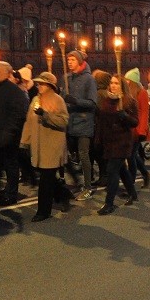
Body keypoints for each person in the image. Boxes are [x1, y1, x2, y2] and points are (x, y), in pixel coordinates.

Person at [20, 72, 68, 222]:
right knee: (47, 177)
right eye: (38, 83)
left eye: (42, 84)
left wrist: (46, 115)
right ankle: (63, 193)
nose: (38, 86)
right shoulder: (35, 100)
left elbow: (63, 121)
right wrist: (24, 141)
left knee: (45, 181)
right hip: (38, 146)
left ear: (50, 86)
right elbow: (29, 122)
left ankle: (43, 211)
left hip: (52, 146)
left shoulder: (58, 100)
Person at [0, 61, 28, 206]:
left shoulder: (15, 92)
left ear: (8, 74)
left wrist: (9, 132)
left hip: (9, 137)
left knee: (10, 166)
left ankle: (11, 194)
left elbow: (19, 114)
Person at [94, 74, 139, 215]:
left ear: (122, 86)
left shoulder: (128, 101)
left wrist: (124, 116)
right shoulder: (107, 100)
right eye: (112, 83)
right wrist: (98, 139)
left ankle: (109, 203)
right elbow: (101, 121)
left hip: (122, 141)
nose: (113, 85)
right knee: (121, 170)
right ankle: (132, 193)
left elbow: (135, 122)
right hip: (109, 141)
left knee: (112, 171)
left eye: (116, 83)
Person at [63, 50, 98, 201]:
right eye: (68, 59)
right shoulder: (67, 78)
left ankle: (88, 186)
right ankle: (77, 180)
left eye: (72, 59)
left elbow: (92, 103)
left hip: (84, 122)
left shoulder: (89, 79)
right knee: (68, 154)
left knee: (84, 154)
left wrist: (75, 101)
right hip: (70, 121)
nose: (69, 62)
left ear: (79, 61)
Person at [125, 68, 150, 188]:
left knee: (131, 156)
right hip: (129, 128)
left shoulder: (142, 93)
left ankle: (131, 183)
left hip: (137, 129)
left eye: (128, 80)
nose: (126, 82)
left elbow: (145, 113)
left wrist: (142, 130)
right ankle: (145, 174)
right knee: (133, 155)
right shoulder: (127, 93)